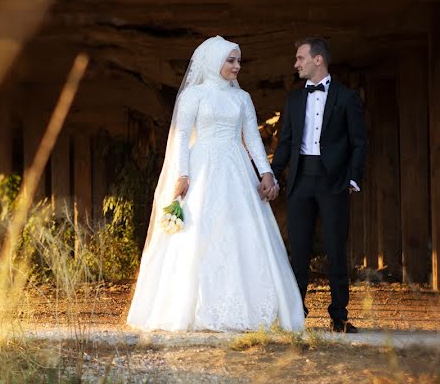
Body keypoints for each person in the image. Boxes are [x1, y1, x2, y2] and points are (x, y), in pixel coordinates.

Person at [127, 36, 304, 332]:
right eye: (230, 60)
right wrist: (182, 174)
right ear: (213, 62)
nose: (236, 66)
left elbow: (252, 140)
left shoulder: (242, 98)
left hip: (236, 168)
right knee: (197, 234)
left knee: (241, 233)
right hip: (202, 168)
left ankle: (245, 310)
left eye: (238, 61)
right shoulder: (193, 96)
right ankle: (189, 308)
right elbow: (182, 136)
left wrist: (266, 173)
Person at [270, 38, 366, 334]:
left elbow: (359, 142)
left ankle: (339, 317)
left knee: (336, 249)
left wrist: (353, 177)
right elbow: (285, 142)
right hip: (300, 182)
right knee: (298, 249)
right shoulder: (294, 99)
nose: (296, 63)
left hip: (333, 182)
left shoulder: (347, 98)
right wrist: (272, 174)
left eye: (300, 58)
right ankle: (297, 314)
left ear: (318, 60)